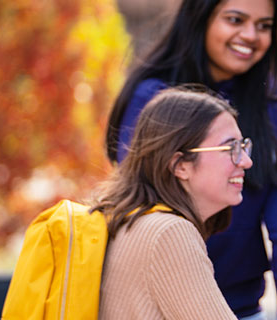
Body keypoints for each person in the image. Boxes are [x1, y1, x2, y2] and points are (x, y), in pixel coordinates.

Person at [103, 0, 277, 319]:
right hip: (161, 307)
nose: (250, 35)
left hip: (241, 306)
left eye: (264, 26)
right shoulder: (153, 98)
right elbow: (144, 211)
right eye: (235, 20)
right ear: (200, 18)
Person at [95, 88, 252, 319]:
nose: (246, 161)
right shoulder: (169, 233)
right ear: (180, 165)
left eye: (244, 146)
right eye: (231, 148)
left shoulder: (126, 219)